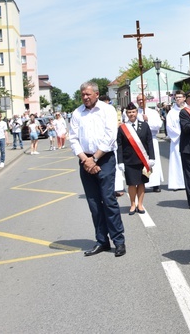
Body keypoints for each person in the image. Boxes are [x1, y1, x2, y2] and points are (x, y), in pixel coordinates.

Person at [69, 81, 125, 257]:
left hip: (104, 158)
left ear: (97, 94)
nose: (85, 97)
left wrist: (94, 159)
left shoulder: (107, 110)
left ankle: (119, 240)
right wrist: (86, 160)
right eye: (83, 95)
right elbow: (73, 139)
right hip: (85, 160)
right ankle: (102, 241)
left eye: (88, 94)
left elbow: (110, 136)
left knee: (108, 200)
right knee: (93, 203)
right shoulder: (77, 113)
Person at [116, 103, 155, 215]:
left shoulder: (145, 125)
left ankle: (140, 204)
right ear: (126, 114)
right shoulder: (123, 128)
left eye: (133, 112)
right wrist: (120, 161)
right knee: (132, 183)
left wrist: (152, 158)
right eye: (129, 112)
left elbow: (149, 142)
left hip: (143, 159)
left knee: (142, 183)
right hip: (129, 160)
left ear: (137, 113)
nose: (131, 114)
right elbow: (119, 145)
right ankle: (133, 204)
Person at [135, 94, 164, 192]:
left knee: (153, 161)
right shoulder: (134, 113)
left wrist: (147, 121)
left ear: (146, 100)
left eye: (142, 100)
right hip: (139, 141)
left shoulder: (153, 112)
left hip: (151, 139)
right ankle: (142, 182)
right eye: (139, 100)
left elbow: (159, 125)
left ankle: (155, 183)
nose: (141, 102)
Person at [165, 90, 186, 192]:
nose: (178, 99)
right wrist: (180, 134)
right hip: (177, 140)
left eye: (180, 97)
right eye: (176, 97)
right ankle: (177, 183)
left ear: (184, 98)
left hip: (188, 140)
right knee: (177, 161)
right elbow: (169, 127)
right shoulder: (171, 113)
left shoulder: (189, 110)